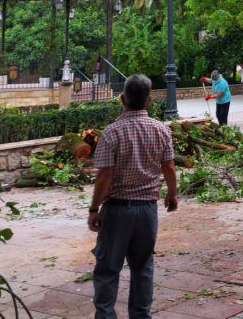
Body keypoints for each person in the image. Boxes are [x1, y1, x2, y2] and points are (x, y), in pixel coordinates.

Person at [88, 74, 177, 319]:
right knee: (143, 267)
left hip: (117, 210)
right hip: (148, 210)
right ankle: (141, 315)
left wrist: (94, 208)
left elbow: (105, 174)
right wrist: (172, 195)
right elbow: (169, 167)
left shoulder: (111, 132)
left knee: (107, 269)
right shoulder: (161, 130)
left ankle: (105, 316)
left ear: (122, 99)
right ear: (149, 100)